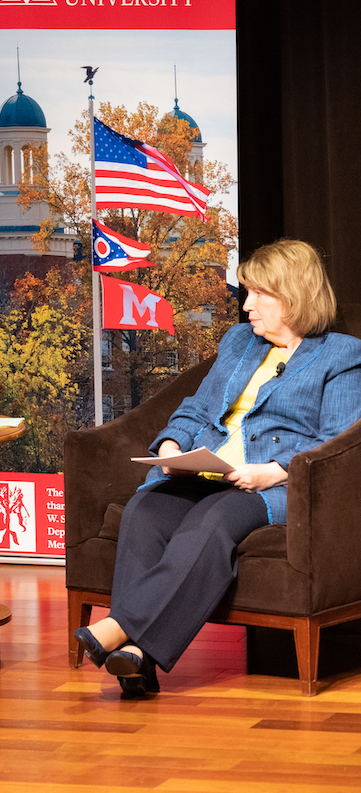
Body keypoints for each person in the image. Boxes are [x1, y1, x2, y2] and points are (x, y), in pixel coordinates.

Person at [74, 239, 361, 695]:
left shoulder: (341, 355)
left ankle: (118, 629)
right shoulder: (238, 342)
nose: (246, 305)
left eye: (258, 295)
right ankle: (138, 662)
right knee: (145, 511)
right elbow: (197, 407)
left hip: (270, 485)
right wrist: (172, 445)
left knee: (214, 520)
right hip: (207, 470)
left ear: (293, 294)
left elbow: (337, 440)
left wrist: (273, 470)